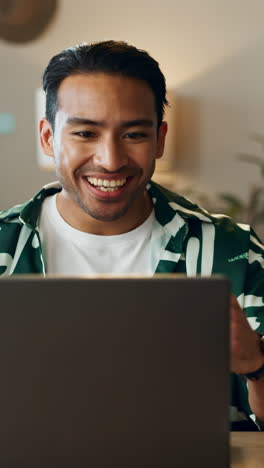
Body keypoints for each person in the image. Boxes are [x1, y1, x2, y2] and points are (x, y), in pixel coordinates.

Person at [0, 40, 263, 431]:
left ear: (159, 139)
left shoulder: (233, 253)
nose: (110, 160)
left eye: (134, 135)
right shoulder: (6, 248)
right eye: (86, 133)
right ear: (48, 137)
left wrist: (255, 366)